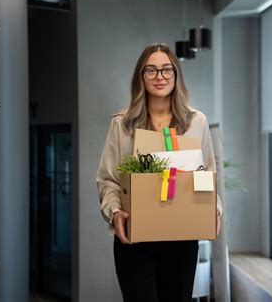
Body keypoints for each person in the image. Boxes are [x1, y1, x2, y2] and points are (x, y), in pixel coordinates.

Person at [95, 43, 223, 302]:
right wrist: (115, 212)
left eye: (167, 69)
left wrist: (214, 209)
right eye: (150, 70)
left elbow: (207, 174)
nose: (160, 76)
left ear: (176, 74)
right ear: (140, 77)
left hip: (182, 237)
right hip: (134, 238)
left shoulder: (196, 122)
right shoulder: (122, 123)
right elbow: (108, 179)